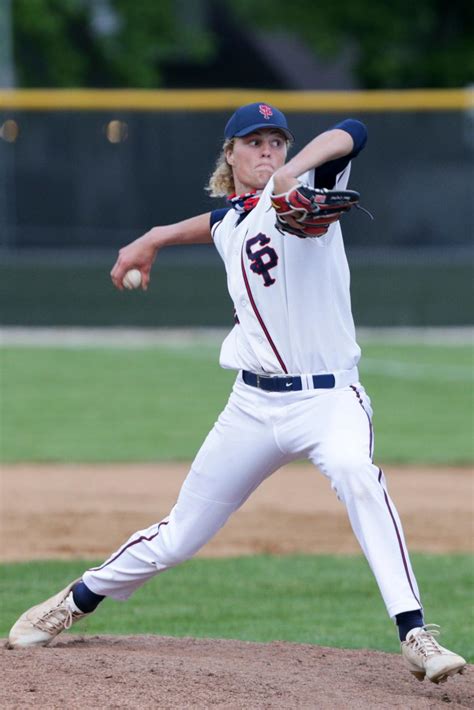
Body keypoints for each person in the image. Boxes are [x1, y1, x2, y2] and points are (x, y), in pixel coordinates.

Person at [8, 102, 466, 684]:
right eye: (254, 142)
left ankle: (416, 634)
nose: (268, 149)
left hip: (328, 402)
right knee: (179, 536)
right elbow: (219, 222)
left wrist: (290, 174)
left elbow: (354, 132)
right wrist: (154, 237)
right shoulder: (232, 221)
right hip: (251, 408)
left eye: (276, 141)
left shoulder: (304, 189)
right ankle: (75, 600)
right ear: (230, 153)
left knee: (357, 473)